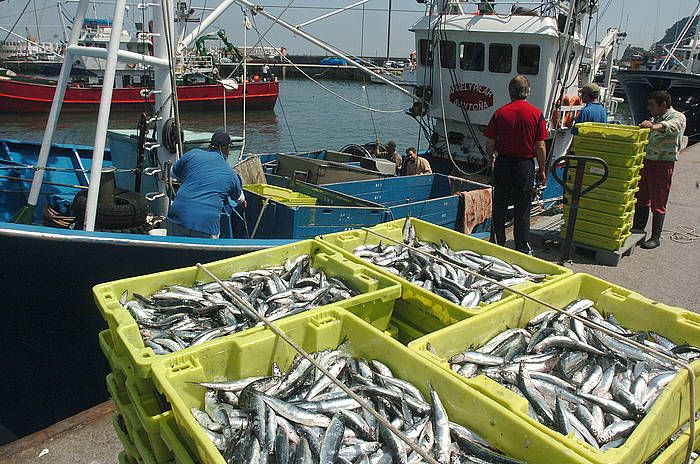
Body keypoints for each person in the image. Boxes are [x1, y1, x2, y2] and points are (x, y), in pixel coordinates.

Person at [484, 75, 548, 254]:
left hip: (504, 163)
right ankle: (521, 248)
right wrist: (542, 169)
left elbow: (490, 143)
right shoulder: (536, 114)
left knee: (499, 207)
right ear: (528, 92)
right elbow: (540, 145)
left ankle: (497, 242)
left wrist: (491, 157)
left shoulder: (500, 113)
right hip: (524, 165)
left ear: (510, 91)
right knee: (522, 209)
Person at [166, 131, 246, 239]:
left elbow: (172, 173)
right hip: (205, 225)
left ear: (210, 145)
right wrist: (244, 204)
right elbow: (240, 200)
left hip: (178, 217)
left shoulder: (192, 154)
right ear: (227, 148)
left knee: (174, 254)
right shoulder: (231, 174)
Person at [632, 90, 686, 249]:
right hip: (647, 162)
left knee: (659, 200)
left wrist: (653, 126)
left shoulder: (677, 117)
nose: (649, 108)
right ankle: (638, 230)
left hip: (663, 164)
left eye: (652, 105)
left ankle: (656, 237)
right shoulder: (654, 118)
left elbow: (669, 127)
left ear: (663, 105)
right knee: (642, 197)